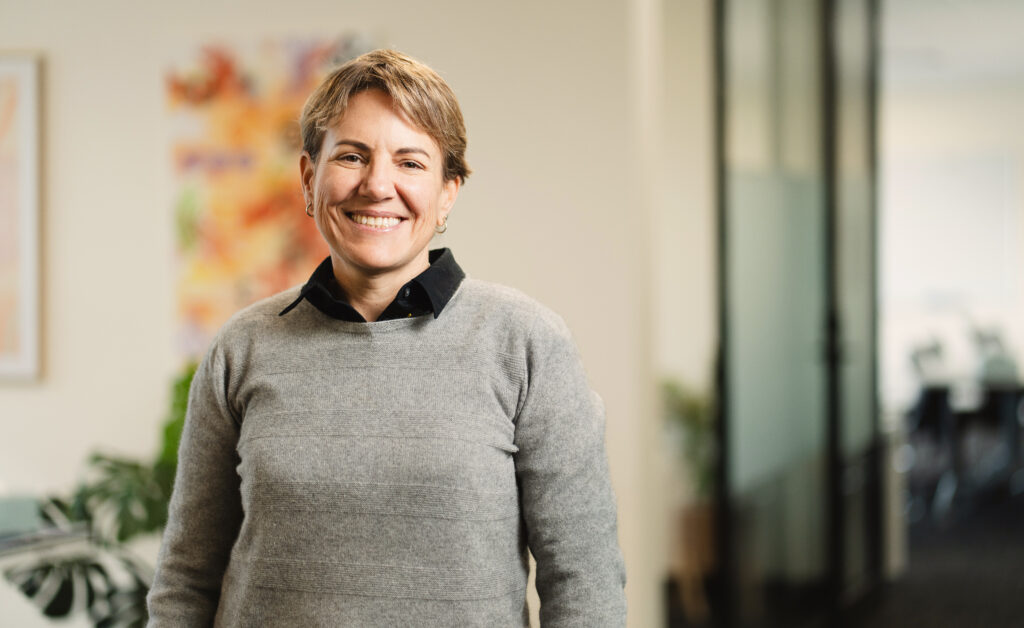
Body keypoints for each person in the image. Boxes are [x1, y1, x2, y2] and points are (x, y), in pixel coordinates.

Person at [146, 49, 626, 626]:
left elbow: (585, 584)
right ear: (309, 176)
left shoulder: (527, 344)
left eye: (411, 162)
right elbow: (185, 580)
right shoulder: (241, 349)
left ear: (449, 190)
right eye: (351, 156)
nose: (377, 185)